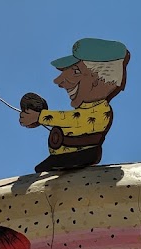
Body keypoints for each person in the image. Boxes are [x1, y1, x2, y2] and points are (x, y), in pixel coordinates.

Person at [20, 37, 129, 173]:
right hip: (61, 158)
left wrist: (40, 116)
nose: (59, 81)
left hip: (80, 156)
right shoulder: (88, 108)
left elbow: (74, 119)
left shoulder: (101, 111)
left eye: (76, 72)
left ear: (99, 80)